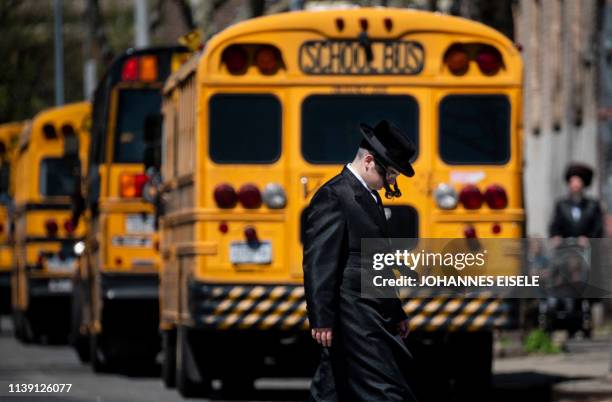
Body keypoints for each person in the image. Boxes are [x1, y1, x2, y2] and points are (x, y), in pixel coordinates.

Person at [302, 120, 418, 402]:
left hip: (372, 311)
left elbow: (377, 263)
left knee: (332, 388)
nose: (392, 181)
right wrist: (321, 319)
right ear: (368, 161)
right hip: (353, 315)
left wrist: (396, 310)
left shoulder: (369, 198)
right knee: (385, 390)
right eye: (389, 173)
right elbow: (319, 263)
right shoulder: (334, 196)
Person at [549, 163, 604, 242]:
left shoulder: (593, 205)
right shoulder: (561, 205)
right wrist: (556, 236)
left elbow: (598, 228)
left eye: (578, 181)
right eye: (572, 181)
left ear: (583, 183)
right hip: (566, 248)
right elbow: (555, 226)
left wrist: (589, 239)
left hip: (588, 250)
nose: (575, 185)